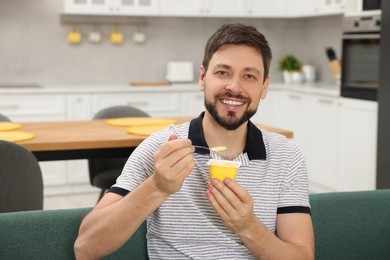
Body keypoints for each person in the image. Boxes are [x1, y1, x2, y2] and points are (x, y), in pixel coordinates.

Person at [74, 23, 314, 259]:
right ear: (202, 78)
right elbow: (85, 247)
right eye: (222, 73)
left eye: (249, 76)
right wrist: (156, 187)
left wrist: (248, 227)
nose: (234, 87)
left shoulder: (285, 157)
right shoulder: (161, 149)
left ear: (264, 87)